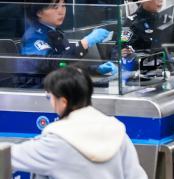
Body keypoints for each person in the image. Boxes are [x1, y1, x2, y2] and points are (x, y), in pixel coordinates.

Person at [10, 67, 146, 179]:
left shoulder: (57, 141)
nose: (50, 102)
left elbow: (9, 156)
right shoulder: (117, 133)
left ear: (63, 102)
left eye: (49, 97)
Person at [20, 0, 113, 84]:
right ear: (39, 12)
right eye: (55, 7)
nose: (61, 12)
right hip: (40, 89)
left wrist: (94, 70)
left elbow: (65, 65)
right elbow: (52, 64)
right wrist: (84, 43)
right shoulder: (33, 37)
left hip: (58, 85)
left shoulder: (56, 32)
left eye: (63, 5)